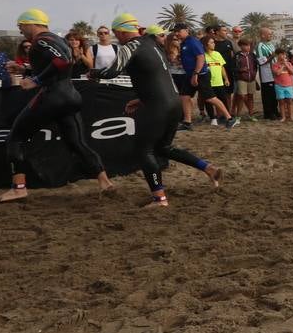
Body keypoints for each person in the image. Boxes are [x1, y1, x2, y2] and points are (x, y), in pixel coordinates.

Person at [88, 12, 222, 207]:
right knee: (164, 148)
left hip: (158, 105)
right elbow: (155, 76)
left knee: (144, 150)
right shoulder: (152, 44)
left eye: (116, 33)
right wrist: (141, 99)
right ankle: (208, 168)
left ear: (120, 31)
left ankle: (159, 199)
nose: (117, 37)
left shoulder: (130, 45)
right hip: (173, 103)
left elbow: (111, 72)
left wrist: (93, 73)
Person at [0, 8, 115, 203]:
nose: (20, 31)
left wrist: (36, 80)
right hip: (70, 96)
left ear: (31, 23)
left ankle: (19, 188)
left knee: (15, 138)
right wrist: (25, 69)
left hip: (53, 96)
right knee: (76, 143)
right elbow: (56, 64)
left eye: (21, 26)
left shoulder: (42, 39)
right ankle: (105, 182)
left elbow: (62, 61)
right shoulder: (56, 39)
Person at [200, 36, 238, 128]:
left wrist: (226, 79)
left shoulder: (217, 54)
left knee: (223, 100)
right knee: (209, 101)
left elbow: (222, 67)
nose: (214, 44)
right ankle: (213, 118)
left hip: (219, 82)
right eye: (211, 42)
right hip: (208, 82)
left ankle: (224, 117)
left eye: (214, 42)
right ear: (205, 44)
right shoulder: (202, 55)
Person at [173, 24, 206, 128]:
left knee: (210, 98)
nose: (176, 33)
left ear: (187, 30)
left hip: (200, 74)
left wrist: (196, 74)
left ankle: (229, 118)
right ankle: (187, 122)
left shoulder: (192, 41)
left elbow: (201, 57)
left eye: (179, 31)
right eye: (175, 31)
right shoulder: (184, 43)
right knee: (184, 96)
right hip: (189, 74)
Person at [256, 27, 279, 121]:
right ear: (263, 35)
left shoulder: (271, 44)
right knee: (268, 94)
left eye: (271, 34)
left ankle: (275, 110)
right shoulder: (260, 46)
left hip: (274, 72)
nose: (271, 35)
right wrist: (272, 56)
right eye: (269, 34)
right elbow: (261, 61)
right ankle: (269, 113)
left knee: (274, 93)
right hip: (266, 73)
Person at [271, 48, 293, 122]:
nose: (283, 56)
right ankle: (283, 117)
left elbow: (292, 72)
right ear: (277, 55)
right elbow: (277, 73)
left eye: (284, 54)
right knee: (281, 102)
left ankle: (291, 116)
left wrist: (286, 64)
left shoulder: (289, 63)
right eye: (281, 54)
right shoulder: (275, 65)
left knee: (289, 101)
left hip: (289, 85)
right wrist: (282, 66)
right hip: (279, 85)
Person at [233, 38, 258, 119]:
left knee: (251, 97)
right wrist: (240, 70)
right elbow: (232, 67)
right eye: (246, 45)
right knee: (242, 96)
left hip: (251, 79)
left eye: (249, 45)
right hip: (241, 79)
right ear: (241, 46)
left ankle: (251, 114)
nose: (248, 47)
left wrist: (254, 74)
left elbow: (255, 66)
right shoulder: (237, 56)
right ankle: (238, 115)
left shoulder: (252, 55)